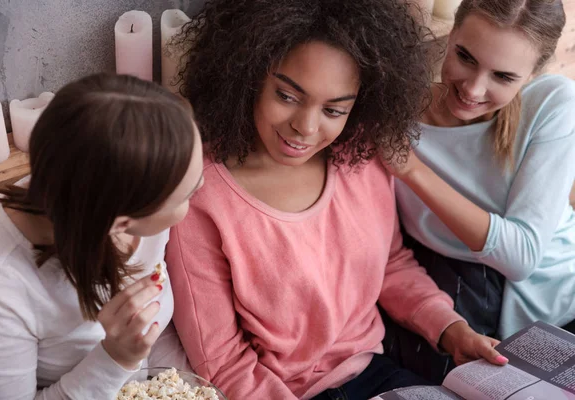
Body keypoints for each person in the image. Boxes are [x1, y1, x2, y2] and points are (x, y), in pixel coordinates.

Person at [165, 1, 508, 399]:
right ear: (247, 73)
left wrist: (451, 330)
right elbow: (223, 360)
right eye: (287, 95)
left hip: (378, 373)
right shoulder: (201, 194)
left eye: (334, 109)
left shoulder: (359, 156)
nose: (306, 128)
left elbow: (391, 266)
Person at [0, 73, 203, 399]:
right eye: (186, 195)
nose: (202, 187)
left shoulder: (123, 190)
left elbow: (157, 331)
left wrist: (184, 385)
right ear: (120, 224)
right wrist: (115, 358)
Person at [382, 0, 575, 384]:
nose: (472, 88)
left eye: (503, 77)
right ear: (451, 35)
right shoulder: (393, 112)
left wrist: (413, 171)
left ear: (533, 74)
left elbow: (522, 256)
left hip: (563, 289)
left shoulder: (554, 101)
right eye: (465, 57)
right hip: (467, 296)